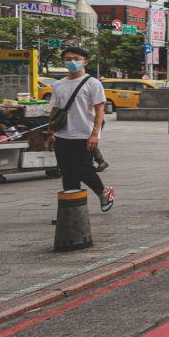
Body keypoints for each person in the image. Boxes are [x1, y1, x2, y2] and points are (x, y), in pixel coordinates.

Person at [47, 46, 114, 212]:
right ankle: (72, 211)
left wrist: (94, 134)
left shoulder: (93, 83)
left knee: (83, 170)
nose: (72, 62)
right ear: (63, 61)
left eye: (76, 59)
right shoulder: (59, 85)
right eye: (68, 59)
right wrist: (50, 132)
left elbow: (100, 110)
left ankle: (104, 192)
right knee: (68, 173)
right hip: (62, 135)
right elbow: (54, 110)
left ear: (85, 61)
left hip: (84, 135)